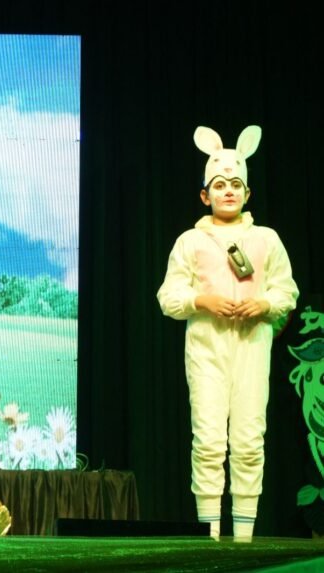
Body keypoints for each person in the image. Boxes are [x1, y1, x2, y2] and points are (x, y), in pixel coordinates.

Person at [157, 125, 298, 542]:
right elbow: (168, 296)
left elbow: (286, 290)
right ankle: (211, 537)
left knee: (249, 439)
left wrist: (264, 304)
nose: (229, 191)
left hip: (252, 347)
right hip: (207, 349)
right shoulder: (190, 241)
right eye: (219, 185)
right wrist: (203, 300)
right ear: (205, 195)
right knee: (209, 440)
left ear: (248, 193)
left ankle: (243, 540)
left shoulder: (266, 239)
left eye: (236, 185)